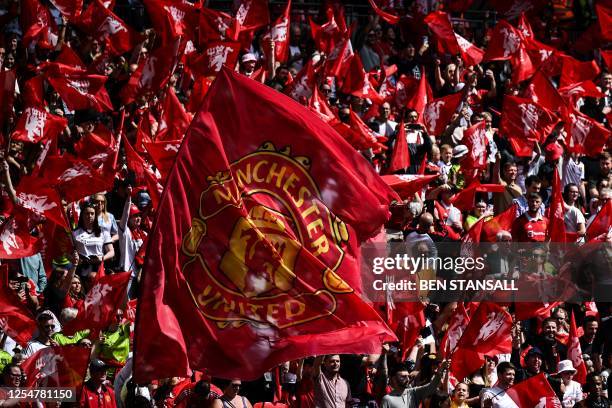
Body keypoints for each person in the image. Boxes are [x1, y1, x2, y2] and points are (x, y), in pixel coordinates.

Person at [380, 360, 450, 408]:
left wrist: (441, 370)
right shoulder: (387, 399)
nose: (407, 379)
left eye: (408, 376)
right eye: (403, 377)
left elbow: (431, 387)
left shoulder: (414, 393)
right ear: (394, 379)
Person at [73, 202, 115, 282]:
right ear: (82, 215)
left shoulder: (103, 231)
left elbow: (112, 252)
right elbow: (69, 252)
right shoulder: (75, 233)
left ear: (95, 215)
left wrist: (102, 258)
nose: (90, 216)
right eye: (87, 213)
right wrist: (76, 259)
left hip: (99, 270)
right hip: (82, 271)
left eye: (92, 213)